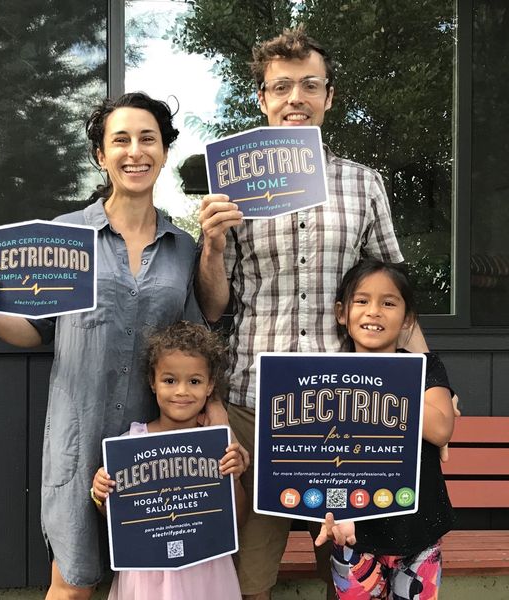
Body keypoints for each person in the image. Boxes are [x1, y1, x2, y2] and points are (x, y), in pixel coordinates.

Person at [0, 92, 227, 600]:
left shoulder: (183, 247)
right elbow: (35, 331)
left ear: (165, 152)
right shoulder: (65, 237)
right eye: (119, 139)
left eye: (148, 139)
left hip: (156, 447)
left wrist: (215, 427)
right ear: (101, 156)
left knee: (148, 582)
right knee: (75, 584)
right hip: (79, 444)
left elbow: (197, 342)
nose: (135, 151)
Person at [195, 25, 428, 600]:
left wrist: (432, 380)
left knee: (353, 570)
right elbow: (213, 306)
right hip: (253, 398)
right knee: (250, 574)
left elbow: (395, 293)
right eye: (281, 87)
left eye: (308, 85)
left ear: (328, 96)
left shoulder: (363, 184)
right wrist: (214, 246)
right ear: (263, 98)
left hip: (345, 403)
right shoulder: (233, 187)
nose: (294, 98)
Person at [316, 258, 455, 599]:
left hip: (418, 528)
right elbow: (317, 457)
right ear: (341, 312)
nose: (373, 311)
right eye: (361, 301)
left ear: (407, 318)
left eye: (388, 303)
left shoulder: (425, 367)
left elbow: (439, 429)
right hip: (353, 530)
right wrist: (333, 510)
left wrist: (376, 378)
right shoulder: (322, 377)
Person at [91, 321, 246, 599]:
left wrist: (232, 478)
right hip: (147, 572)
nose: (182, 391)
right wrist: (101, 493)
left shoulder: (217, 446)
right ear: (153, 382)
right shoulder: (130, 442)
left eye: (194, 381)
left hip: (205, 568)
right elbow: (121, 517)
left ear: (210, 386)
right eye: (170, 380)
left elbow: (238, 518)